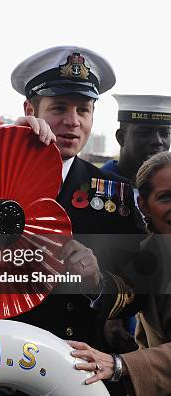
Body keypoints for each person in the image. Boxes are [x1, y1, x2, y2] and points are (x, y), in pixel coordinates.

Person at [0, 46, 144, 353]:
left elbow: (139, 289)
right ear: (30, 111)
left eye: (83, 110)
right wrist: (3, 144)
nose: (72, 121)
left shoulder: (116, 193)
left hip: (73, 364)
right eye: (59, 108)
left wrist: (96, 282)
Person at [69, 151, 171, 396]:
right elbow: (124, 294)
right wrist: (92, 280)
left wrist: (120, 364)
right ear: (142, 205)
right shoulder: (151, 252)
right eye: (166, 198)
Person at [101, 95, 171, 352]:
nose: (157, 141)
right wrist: (111, 317)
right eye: (145, 133)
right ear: (121, 137)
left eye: (165, 132)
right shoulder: (90, 189)